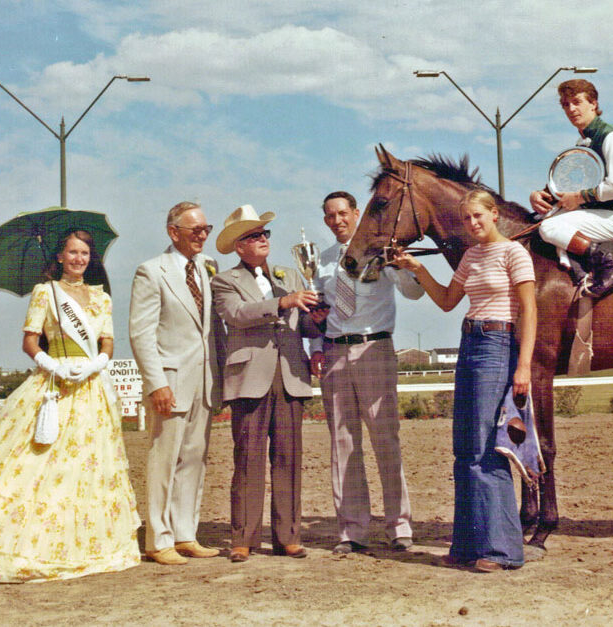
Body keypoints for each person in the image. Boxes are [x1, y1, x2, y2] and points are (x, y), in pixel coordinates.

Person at [0, 230, 141, 582]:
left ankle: (87, 546)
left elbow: (107, 343)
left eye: (85, 253)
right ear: (59, 257)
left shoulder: (101, 298)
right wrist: (52, 364)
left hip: (91, 390)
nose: (79, 259)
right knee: (40, 464)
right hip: (54, 385)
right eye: (72, 252)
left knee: (86, 468)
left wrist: (95, 364)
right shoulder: (46, 293)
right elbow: (29, 341)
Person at [393, 189, 536, 573]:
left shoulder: (514, 253)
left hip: (497, 343)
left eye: (478, 216)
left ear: (494, 215)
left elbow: (530, 311)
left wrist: (523, 367)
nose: (472, 224)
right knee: (464, 449)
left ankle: (502, 550)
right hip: (469, 342)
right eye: (467, 219)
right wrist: (417, 270)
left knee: (486, 448)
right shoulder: (471, 256)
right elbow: (446, 300)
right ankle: (469, 544)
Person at [211, 204, 328, 563]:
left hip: (291, 375)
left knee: (289, 458)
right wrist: (282, 301)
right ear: (238, 246)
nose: (262, 239)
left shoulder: (290, 275)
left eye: (265, 234)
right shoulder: (225, 280)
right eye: (254, 235)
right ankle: (242, 539)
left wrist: (318, 320)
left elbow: (303, 326)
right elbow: (236, 315)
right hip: (249, 378)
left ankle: (287, 536)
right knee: (247, 459)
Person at [308, 191, 424, 555]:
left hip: (374, 348)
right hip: (335, 352)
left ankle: (399, 526)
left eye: (343, 213)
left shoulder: (382, 252)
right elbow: (317, 311)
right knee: (343, 444)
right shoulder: (322, 262)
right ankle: (352, 530)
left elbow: (413, 294)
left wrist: (403, 265)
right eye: (330, 215)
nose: (337, 220)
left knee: (385, 440)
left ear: (357, 213)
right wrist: (315, 348)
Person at [129, 202, 225, 565]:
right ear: (174, 232)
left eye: (206, 228)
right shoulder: (151, 272)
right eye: (195, 230)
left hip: (204, 381)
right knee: (163, 461)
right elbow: (141, 334)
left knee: (194, 461)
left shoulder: (207, 268)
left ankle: (186, 533)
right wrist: (156, 383)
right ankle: (158, 538)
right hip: (169, 382)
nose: (202, 235)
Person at [530, 78, 613, 297]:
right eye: (566, 105)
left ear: (593, 104)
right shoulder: (582, 143)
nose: (571, 109)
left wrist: (578, 197)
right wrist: (541, 195)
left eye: (577, 102)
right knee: (545, 220)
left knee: (549, 228)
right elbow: (570, 185)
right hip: (605, 214)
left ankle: (610, 265)